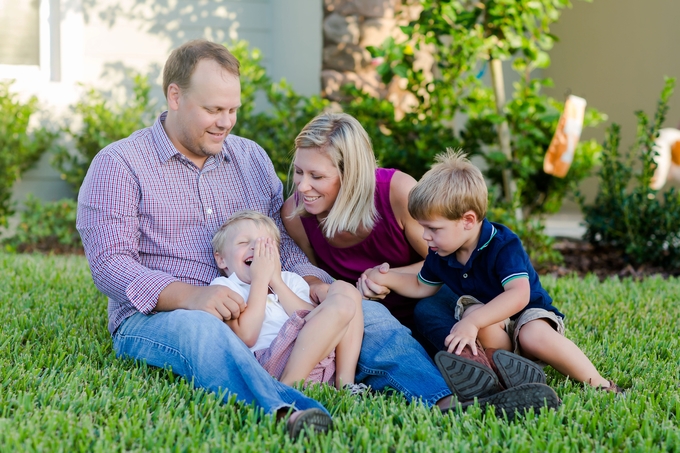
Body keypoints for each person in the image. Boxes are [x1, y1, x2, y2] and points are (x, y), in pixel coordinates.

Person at [77, 39, 559, 437]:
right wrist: (195, 296)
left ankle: (446, 400)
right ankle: (284, 409)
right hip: (167, 313)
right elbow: (111, 264)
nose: (226, 121)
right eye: (213, 109)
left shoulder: (248, 158)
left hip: (268, 299)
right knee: (200, 331)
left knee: (362, 310)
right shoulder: (120, 165)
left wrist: (314, 282)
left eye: (233, 109)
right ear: (175, 96)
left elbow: (281, 245)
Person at [363, 149, 623, 395]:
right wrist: (387, 278)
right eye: (423, 227)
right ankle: (507, 372)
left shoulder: (501, 244)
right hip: (497, 333)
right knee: (474, 311)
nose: (425, 236)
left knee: (526, 333)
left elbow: (518, 296)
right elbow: (422, 287)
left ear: (467, 220)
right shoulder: (440, 253)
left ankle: (600, 384)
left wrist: (471, 322)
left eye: (433, 229)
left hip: (527, 315)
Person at [281, 112, 435, 330]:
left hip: (428, 305)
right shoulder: (295, 215)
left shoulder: (398, 193)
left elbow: (446, 262)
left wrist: (388, 278)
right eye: (298, 172)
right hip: (365, 325)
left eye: (316, 176)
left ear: (351, 174)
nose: (302, 186)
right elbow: (316, 282)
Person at [210, 210, 365, 391]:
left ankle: (346, 384)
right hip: (271, 363)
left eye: (265, 243)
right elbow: (247, 336)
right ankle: (286, 389)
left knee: (346, 291)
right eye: (243, 242)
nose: (256, 248)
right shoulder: (226, 286)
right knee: (342, 305)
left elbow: (314, 319)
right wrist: (260, 279)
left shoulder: (290, 280)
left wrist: (275, 281)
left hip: (316, 357)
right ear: (221, 259)